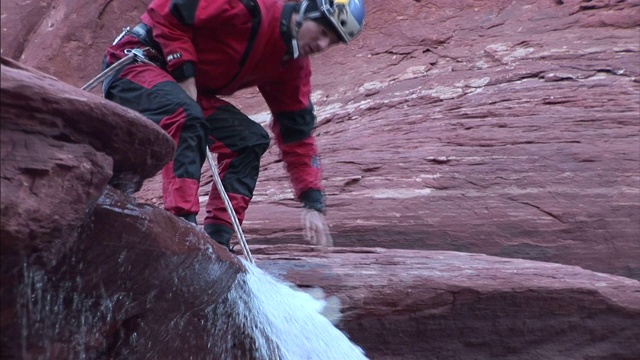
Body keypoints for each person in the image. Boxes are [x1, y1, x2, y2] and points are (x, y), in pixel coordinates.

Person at [100, 0, 366, 250]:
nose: (321, 44)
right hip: (135, 64)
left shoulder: (292, 66)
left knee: (250, 141)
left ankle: (218, 243)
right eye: (322, 31)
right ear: (306, 10)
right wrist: (182, 68)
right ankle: (182, 227)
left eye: (331, 41)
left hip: (182, 92)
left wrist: (312, 201)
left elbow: (297, 134)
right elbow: (167, 11)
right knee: (186, 115)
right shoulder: (251, 9)